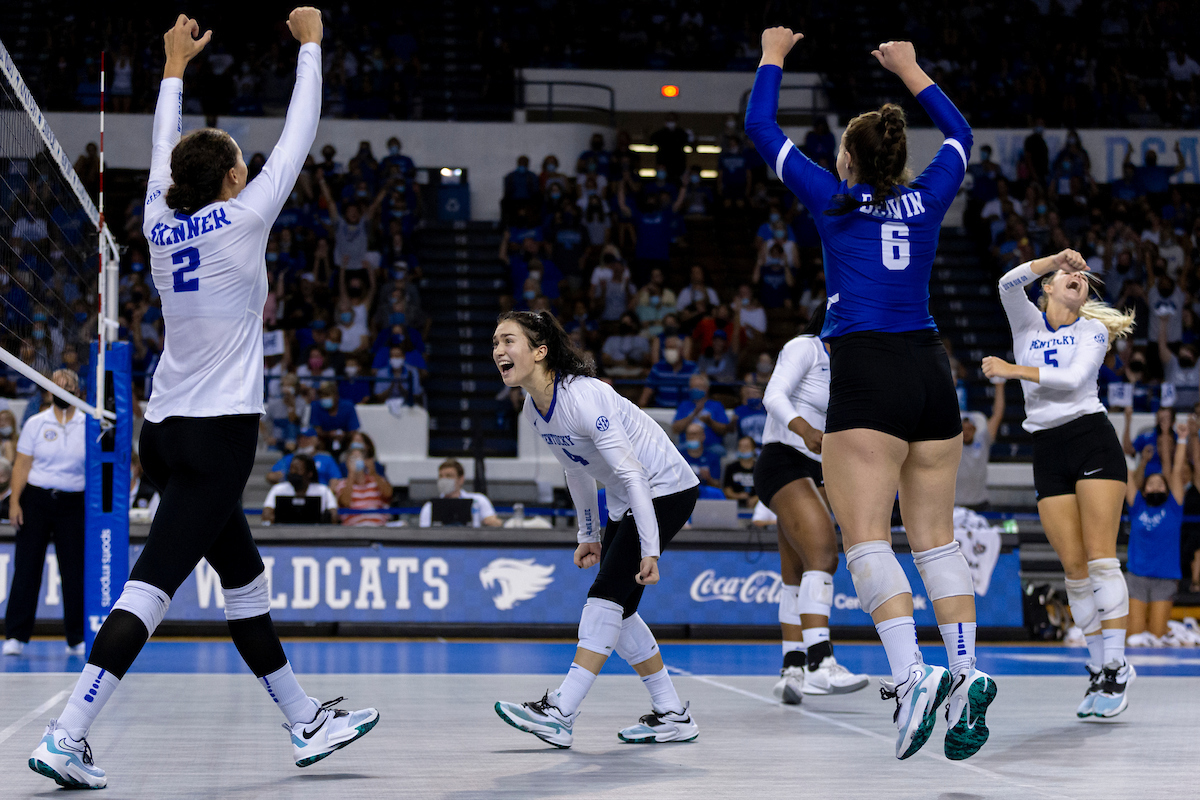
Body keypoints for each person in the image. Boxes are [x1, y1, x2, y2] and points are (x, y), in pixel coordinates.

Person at [29, 13, 378, 792]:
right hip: (217, 438)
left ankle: (305, 721)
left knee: (244, 581)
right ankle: (67, 733)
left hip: (165, 434)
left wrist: (172, 68)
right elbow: (299, 134)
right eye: (242, 164)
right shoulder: (244, 218)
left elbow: (161, 150)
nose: (250, 170)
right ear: (230, 180)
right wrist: (312, 47)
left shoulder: (158, 220)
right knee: (150, 590)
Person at [746, 30, 992, 761]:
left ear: (848, 159)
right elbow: (961, 134)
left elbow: (761, 127)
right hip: (931, 368)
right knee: (937, 540)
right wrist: (912, 69)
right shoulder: (928, 195)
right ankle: (966, 670)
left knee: (866, 540)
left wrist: (773, 56)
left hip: (867, 366)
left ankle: (912, 676)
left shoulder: (833, 199)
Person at [491, 310, 701, 747]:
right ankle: (673, 714)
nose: (498, 350)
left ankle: (561, 711)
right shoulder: (533, 409)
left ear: (540, 351)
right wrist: (588, 534)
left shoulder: (584, 397)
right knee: (620, 610)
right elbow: (577, 470)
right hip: (628, 498)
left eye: (508, 341)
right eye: (495, 343)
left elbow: (634, 474)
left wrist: (650, 548)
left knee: (605, 597)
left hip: (665, 488)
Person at [982, 248, 1136, 720]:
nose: (1077, 277)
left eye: (1082, 277)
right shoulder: (1027, 323)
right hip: (1047, 448)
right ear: (1047, 287)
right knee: (1073, 568)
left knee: (1101, 558)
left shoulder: (1091, 330)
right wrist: (1053, 259)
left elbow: (1071, 380)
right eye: (1067, 275)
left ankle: (1117, 666)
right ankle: (1098, 668)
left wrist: (1011, 370)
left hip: (1091, 440)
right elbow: (1006, 284)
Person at [755, 307, 868, 703]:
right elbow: (772, 395)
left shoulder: (849, 364)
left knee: (796, 572)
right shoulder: (805, 347)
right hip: (783, 459)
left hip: (817, 468)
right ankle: (821, 662)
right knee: (823, 554)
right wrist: (806, 431)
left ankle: (793, 668)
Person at [3, 370, 87, 658]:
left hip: (73, 502)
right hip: (37, 500)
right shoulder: (36, 423)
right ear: (49, 391)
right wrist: (15, 503)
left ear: (78, 391)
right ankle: (16, 635)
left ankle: (77, 637)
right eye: (57, 386)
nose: (63, 390)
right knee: (27, 568)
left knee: (74, 571)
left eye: (68, 386)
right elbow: (22, 465)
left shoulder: (88, 423)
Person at [1124, 423, 1187, 646]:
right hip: (1137, 576)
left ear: (1167, 490)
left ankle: (1178, 632)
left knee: (1157, 637)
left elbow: (1177, 471)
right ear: (1144, 490)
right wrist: (1137, 459)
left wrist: (1182, 439)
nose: (1157, 487)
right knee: (1134, 637)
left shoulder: (1173, 508)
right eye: (1151, 484)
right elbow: (1127, 476)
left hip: (1165, 577)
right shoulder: (1137, 506)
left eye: (1161, 484)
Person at [956, 381, 1005, 510]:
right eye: (962, 429)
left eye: (969, 429)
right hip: (955, 505)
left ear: (975, 429)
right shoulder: (952, 445)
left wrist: (999, 384)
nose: (966, 432)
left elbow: (997, 414)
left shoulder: (983, 440)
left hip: (980, 504)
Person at [418, 459, 502, 527]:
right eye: (441, 476)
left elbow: (496, 524)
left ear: (461, 479)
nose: (444, 480)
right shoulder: (429, 507)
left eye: (449, 476)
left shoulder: (479, 500)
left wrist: (491, 522)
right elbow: (424, 533)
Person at [262, 453, 339, 525]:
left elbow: (334, 516)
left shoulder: (323, 491)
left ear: (309, 473)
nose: (293, 472)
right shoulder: (278, 489)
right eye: (291, 469)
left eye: (297, 470)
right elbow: (266, 515)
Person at [334, 434, 393, 527]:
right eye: (353, 458)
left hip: (378, 528)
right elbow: (345, 503)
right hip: (354, 530)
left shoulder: (377, 481)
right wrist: (351, 474)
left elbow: (388, 494)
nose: (356, 461)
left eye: (359, 457)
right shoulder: (342, 484)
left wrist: (373, 472)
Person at [266, 428, 342, 486]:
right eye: (300, 438)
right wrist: (279, 475)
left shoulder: (326, 458)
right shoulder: (290, 458)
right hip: (294, 494)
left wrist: (328, 494)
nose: (302, 441)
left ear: (315, 440)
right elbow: (270, 476)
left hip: (319, 493)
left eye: (306, 438)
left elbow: (335, 479)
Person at [723, 437, 758, 507]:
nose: (743, 449)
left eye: (746, 446)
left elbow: (765, 489)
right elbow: (727, 489)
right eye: (740, 446)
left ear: (753, 449)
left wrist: (756, 498)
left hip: (757, 504)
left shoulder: (760, 468)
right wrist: (738, 496)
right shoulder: (731, 467)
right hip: (735, 504)